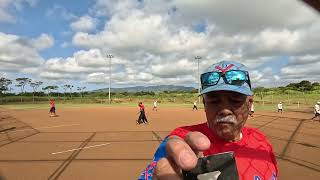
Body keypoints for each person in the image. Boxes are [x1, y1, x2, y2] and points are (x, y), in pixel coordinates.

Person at [138, 61, 278, 180]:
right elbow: (159, 166)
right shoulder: (184, 138)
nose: (224, 109)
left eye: (235, 100)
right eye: (214, 101)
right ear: (204, 105)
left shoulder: (261, 142)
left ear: (249, 104)